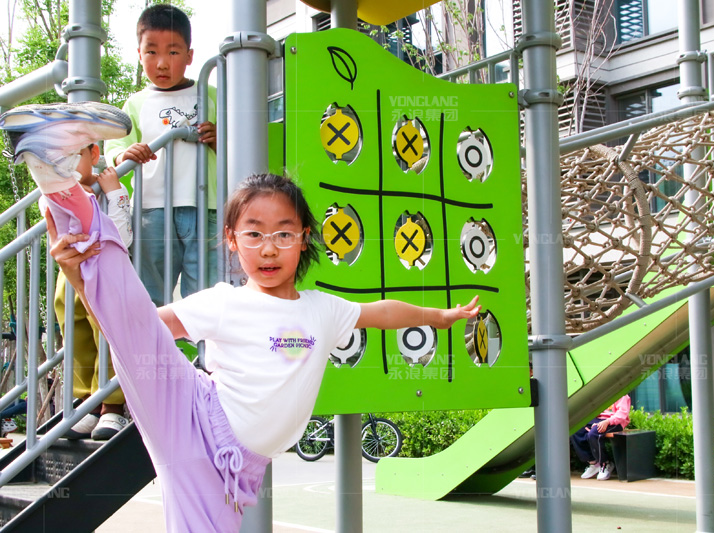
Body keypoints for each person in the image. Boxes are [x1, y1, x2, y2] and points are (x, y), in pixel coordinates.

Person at [2, 101, 481, 532]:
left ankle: (56, 177)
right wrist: (80, 280)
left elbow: (378, 312)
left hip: (232, 465)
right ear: (232, 240)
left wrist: (434, 314)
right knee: (138, 331)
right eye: (253, 234)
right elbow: (134, 329)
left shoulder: (322, 309)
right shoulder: (224, 301)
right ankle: (60, 182)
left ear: (305, 238)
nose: (268, 248)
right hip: (194, 414)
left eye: (283, 234)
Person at [104, 3, 218, 306]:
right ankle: (153, 352)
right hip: (151, 210)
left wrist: (219, 139)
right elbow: (114, 147)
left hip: (206, 206)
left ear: (190, 56)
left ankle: (203, 353)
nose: (162, 63)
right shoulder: (136, 103)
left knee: (205, 292)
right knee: (148, 292)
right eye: (152, 52)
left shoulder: (212, 94)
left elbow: (239, 142)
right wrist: (124, 155)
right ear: (139, 54)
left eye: (173, 52)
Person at [51, 146, 131, 440]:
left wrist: (113, 192)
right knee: (73, 327)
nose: (65, 164)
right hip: (70, 268)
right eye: (57, 158)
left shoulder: (104, 185)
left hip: (104, 266)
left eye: (74, 156)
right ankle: (86, 401)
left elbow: (123, 234)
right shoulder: (55, 190)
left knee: (105, 329)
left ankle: (112, 405)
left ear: (94, 154)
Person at [570, 394, 631, 481]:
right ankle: (593, 462)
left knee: (594, 433)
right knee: (575, 429)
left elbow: (622, 415)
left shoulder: (622, 395)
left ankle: (605, 463)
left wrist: (607, 422)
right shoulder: (606, 392)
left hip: (614, 422)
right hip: (599, 419)